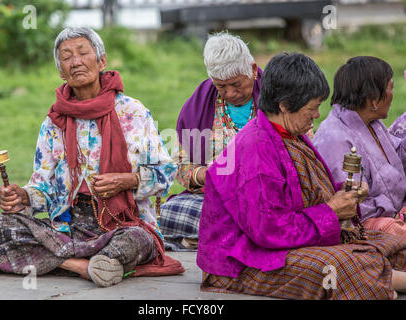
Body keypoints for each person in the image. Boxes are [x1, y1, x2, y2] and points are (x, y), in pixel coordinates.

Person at [0, 27, 184, 287]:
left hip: (124, 224)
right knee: (5, 227)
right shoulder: (54, 122)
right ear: (60, 71)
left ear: (102, 61)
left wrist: (128, 181)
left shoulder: (133, 112)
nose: (75, 61)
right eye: (66, 57)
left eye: (82, 53)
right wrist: (23, 196)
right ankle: (85, 266)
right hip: (70, 227)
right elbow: (43, 185)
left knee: (136, 240)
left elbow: (167, 175)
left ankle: (71, 259)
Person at [197, 52, 406, 300]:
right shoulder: (255, 150)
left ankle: (387, 280)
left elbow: (306, 190)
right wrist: (331, 210)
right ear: (285, 105)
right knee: (340, 266)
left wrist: (345, 193)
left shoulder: (290, 134)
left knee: (392, 245)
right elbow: (269, 230)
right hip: (241, 260)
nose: (317, 115)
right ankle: (388, 283)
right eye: (312, 108)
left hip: (282, 241)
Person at [158, 31, 263, 251]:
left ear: (253, 70)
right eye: (221, 86)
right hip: (212, 201)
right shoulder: (198, 106)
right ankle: (236, 236)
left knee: (261, 213)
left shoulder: (276, 98)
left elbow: (297, 151)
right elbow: (180, 166)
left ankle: (210, 237)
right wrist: (204, 175)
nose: (231, 93)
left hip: (263, 198)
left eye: (237, 84)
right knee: (170, 211)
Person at [313, 56, 406, 237]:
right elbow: (352, 205)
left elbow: (395, 162)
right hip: (361, 226)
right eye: (391, 88)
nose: (393, 94)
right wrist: (396, 213)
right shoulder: (335, 139)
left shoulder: (372, 123)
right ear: (373, 100)